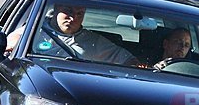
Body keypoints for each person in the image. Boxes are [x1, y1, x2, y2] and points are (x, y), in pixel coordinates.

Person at [7, 4, 138, 66]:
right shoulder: (35, 29)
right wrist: (13, 46)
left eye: (79, 13)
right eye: (68, 11)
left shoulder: (94, 41)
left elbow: (130, 62)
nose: (73, 17)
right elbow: (12, 41)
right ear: (57, 7)